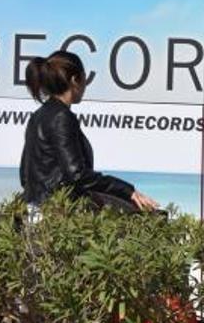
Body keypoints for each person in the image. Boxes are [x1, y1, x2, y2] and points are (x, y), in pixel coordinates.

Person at [20, 51, 159, 211]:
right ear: (74, 80)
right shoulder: (61, 117)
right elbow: (77, 175)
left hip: (35, 209)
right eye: (85, 78)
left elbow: (25, 175)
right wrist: (126, 190)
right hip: (58, 214)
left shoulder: (38, 116)